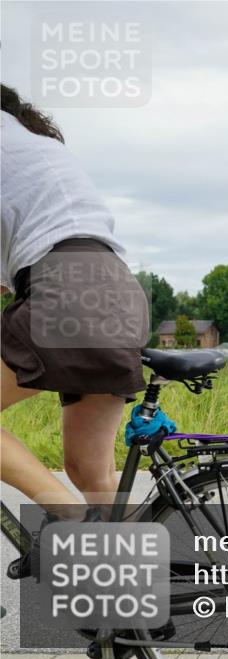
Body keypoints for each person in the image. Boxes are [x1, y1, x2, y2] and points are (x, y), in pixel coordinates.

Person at [1, 84, 149, 518]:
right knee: (90, 470)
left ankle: (73, 517)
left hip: (64, 289)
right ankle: (135, 571)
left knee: (83, 490)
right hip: (118, 289)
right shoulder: (37, 150)